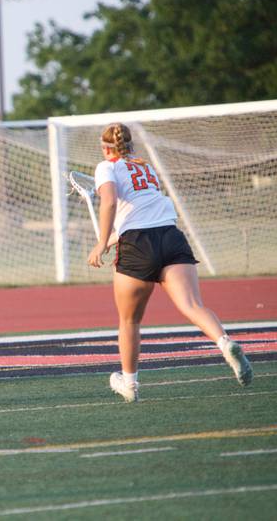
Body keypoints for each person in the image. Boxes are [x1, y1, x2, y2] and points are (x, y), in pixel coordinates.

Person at [88, 123, 253, 402]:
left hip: (138, 245)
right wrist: (110, 239)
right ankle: (225, 343)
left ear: (106, 148)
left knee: (129, 320)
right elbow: (140, 216)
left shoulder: (106, 167)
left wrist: (101, 243)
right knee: (192, 305)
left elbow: (110, 202)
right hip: (170, 235)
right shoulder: (146, 168)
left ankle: (130, 384)